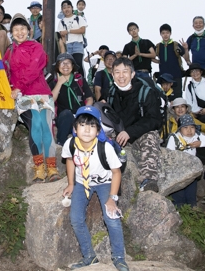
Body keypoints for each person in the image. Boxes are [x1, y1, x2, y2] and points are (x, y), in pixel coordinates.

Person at [62, 106, 129, 271]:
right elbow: (70, 160)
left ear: (98, 130)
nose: (87, 129)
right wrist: (71, 183)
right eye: (83, 124)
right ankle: (89, 256)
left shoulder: (104, 147)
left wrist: (112, 198)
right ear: (75, 128)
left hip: (105, 182)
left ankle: (119, 257)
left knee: (111, 218)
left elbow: (116, 172)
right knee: (76, 219)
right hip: (82, 182)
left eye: (92, 126)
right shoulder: (70, 143)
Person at [3, 14, 56, 182]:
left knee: (45, 126)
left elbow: (34, 68)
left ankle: (52, 167)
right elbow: (3, 72)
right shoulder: (9, 52)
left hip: (39, 90)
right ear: (11, 32)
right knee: (36, 125)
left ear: (29, 30)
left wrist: (19, 86)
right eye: (16, 29)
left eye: (22, 29)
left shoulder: (36, 47)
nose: (19, 32)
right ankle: (39, 167)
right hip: (23, 95)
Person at [107, 57, 162, 192]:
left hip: (140, 132)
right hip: (120, 132)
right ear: (112, 75)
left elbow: (154, 119)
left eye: (125, 72)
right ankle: (107, 179)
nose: (121, 76)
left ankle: (148, 179)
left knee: (151, 137)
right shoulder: (112, 92)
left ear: (132, 74)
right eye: (117, 72)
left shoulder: (146, 92)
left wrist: (130, 132)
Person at [165, 114, 205, 207]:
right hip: (177, 173)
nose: (189, 130)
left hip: (192, 174)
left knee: (191, 198)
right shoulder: (174, 138)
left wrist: (201, 143)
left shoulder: (197, 137)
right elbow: (169, 155)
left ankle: (192, 212)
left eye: (192, 127)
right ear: (180, 129)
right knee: (178, 198)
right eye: (185, 127)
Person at [50, 53, 93, 147]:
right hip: (63, 118)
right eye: (62, 63)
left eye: (68, 63)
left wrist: (85, 111)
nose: (65, 66)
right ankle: (61, 143)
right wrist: (60, 83)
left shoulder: (80, 80)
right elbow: (51, 100)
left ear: (73, 66)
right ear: (58, 66)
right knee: (66, 114)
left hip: (80, 117)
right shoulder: (54, 83)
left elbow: (89, 98)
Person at [154, 23, 188, 98]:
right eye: (163, 33)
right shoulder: (158, 46)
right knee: (165, 98)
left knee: (178, 97)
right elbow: (151, 56)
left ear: (170, 33)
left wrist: (186, 49)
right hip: (164, 77)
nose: (165, 35)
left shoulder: (176, 45)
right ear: (160, 34)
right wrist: (157, 61)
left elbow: (186, 58)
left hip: (176, 75)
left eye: (167, 33)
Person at [57, 0, 87, 72]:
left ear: (72, 8)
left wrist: (68, 31)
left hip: (78, 43)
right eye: (64, 8)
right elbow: (61, 35)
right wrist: (63, 50)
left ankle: (82, 82)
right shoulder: (61, 21)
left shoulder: (78, 18)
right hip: (67, 45)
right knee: (69, 65)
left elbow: (82, 30)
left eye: (68, 7)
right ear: (62, 9)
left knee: (78, 63)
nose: (66, 9)